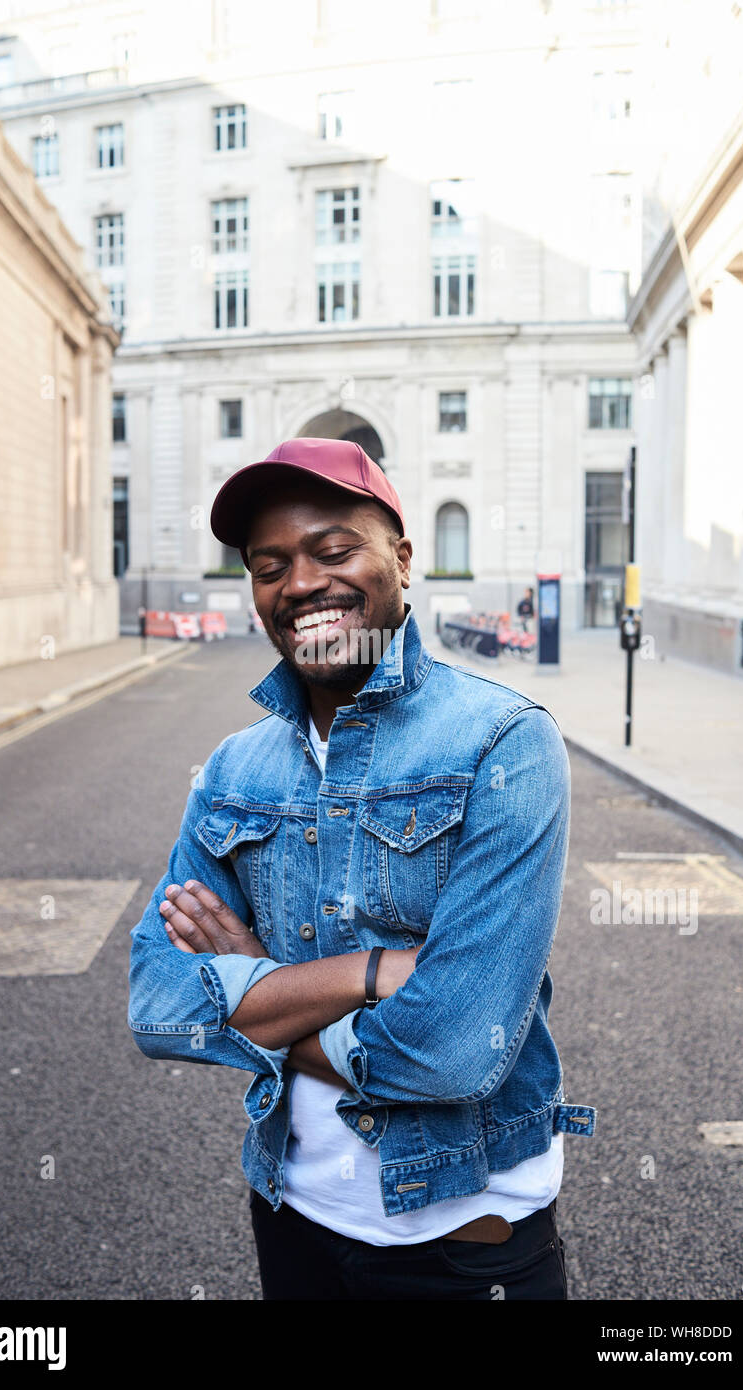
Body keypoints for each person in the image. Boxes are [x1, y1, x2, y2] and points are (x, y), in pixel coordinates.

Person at [128, 437, 596, 1301]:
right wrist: (372, 973)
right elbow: (158, 1007)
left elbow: (454, 1050)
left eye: (333, 550)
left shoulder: (501, 743)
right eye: (269, 566)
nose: (300, 582)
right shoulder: (233, 769)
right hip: (292, 1214)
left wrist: (258, 990)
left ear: (402, 560)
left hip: (462, 1241)